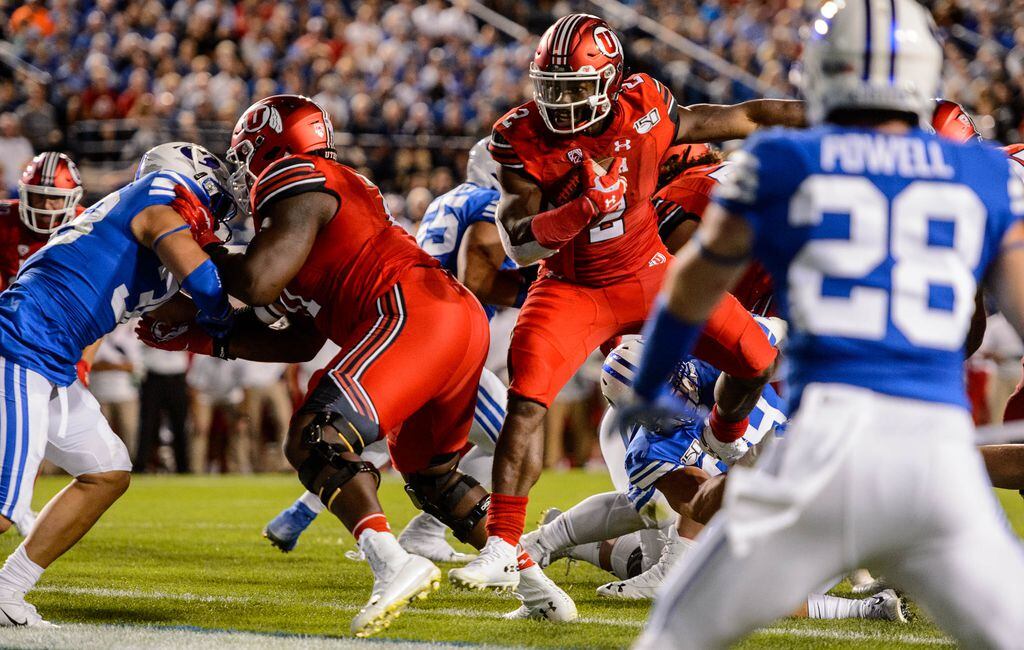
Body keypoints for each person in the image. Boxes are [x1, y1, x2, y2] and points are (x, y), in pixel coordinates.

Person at [631, 1, 1024, 646]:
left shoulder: (782, 161)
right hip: (937, 464)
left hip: (821, 452)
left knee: (675, 634)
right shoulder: (984, 174)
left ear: (825, 70)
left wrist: (648, 382)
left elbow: (689, 290)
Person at [138, 96, 570, 636]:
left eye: (247, 154)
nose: (244, 168)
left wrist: (189, 250)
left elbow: (253, 283)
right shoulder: (311, 215)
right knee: (433, 480)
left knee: (313, 436)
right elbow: (296, 340)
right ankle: (540, 590)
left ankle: (393, 564)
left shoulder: (297, 176)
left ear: (271, 146)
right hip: (447, 321)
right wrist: (204, 340)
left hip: (414, 314)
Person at [451, 13, 803, 591]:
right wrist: (582, 208)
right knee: (527, 403)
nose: (559, 106)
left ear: (611, 82)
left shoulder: (647, 108)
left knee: (758, 357)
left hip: (650, 272)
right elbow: (517, 242)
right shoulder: (520, 135)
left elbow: (749, 115)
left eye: (574, 90)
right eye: (551, 90)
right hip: (571, 286)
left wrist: (840, 121)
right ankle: (501, 544)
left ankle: (721, 432)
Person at [0, 141, 237, 626]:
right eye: (216, 190)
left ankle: (8, 588)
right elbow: (208, 287)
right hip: (23, 343)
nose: (220, 203)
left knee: (106, 470)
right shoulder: (157, 196)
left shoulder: (150, 227)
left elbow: (172, 305)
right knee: (4, 507)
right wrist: (231, 313)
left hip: (53, 357)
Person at [264, 140, 519, 566]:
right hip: (444, 328)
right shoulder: (490, 204)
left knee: (383, 431)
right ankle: (461, 537)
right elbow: (485, 271)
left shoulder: (448, 200)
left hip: (412, 321)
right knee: (512, 438)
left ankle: (302, 512)